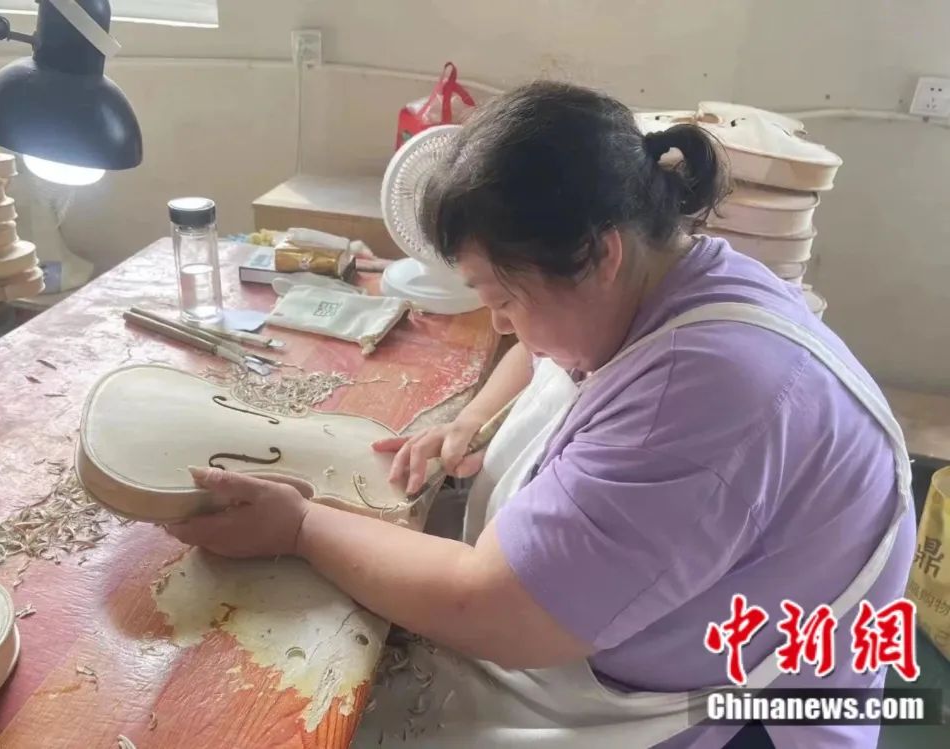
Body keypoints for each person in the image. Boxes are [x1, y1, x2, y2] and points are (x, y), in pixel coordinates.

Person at [167, 82, 916, 748]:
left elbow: (496, 611)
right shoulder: (665, 273)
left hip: (729, 712)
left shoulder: (703, 393)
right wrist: (470, 420)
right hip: (652, 637)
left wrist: (301, 528)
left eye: (501, 298)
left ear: (599, 254)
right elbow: (548, 347)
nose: (499, 325)